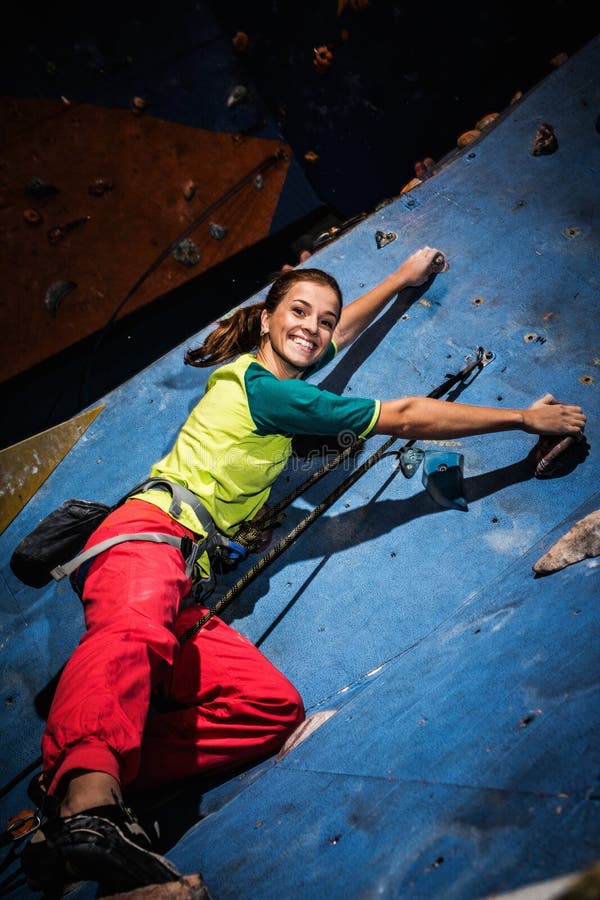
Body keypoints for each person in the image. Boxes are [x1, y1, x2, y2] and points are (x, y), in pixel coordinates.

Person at [21, 247, 586, 895]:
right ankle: (89, 809)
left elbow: (328, 339)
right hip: (147, 539)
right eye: (298, 313)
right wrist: (523, 419)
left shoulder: (278, 383)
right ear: (265, 319)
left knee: (267, 707)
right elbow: (400, 415)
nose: (314, 327)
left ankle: (82, 788)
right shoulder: (255, 388)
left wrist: (401, 280)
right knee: (130, 638)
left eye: (325, 318)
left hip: (181, 577)